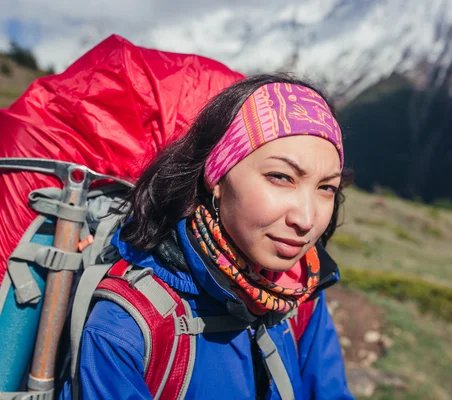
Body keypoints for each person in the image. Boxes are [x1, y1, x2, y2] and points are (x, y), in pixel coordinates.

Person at [60, 74, 354, 399]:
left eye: (326, 187)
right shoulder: (126, 327)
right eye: (280, 177)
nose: (306, 219)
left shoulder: (298, 291)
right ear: (217, 175)